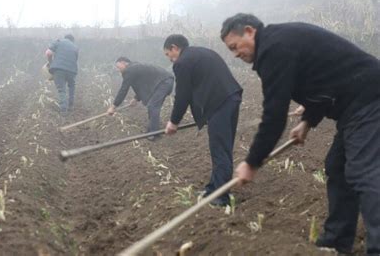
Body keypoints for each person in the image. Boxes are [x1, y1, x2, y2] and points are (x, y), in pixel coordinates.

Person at [220, 13, 380, 254]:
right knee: (337, 167)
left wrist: (252, 162)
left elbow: (274, 115)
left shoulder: (274, 49)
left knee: (363, 172)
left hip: (368, 98)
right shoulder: (279, 42)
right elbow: (322, 83)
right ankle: (337, 241)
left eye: (234, 46)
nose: (235, 53)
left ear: (250, 31)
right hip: (356, 102)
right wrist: (307, 122)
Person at [163, 34, 242, 207]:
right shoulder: (202, 52)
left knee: (220, 149)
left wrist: (173, 122)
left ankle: (221, 197)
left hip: (219, 103)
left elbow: (183, 95)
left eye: (168, 54)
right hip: (231, 97)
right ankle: (213, 188)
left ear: (174, 48)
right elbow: (198, 86)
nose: (170, 59)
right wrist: (203, 118)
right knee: (223, 147)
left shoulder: (183, 62)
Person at [107, 57, 174, 140]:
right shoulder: (134, 68)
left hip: (164, 82)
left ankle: (154, 133)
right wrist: (136, 98)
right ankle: (152, 130)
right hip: (163, 82)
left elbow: (124, 89)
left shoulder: (130, 70)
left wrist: (113, 106)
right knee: (152, 105)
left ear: (124, 62)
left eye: (118, 66)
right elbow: (142, 84)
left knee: (152, 106)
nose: (118, 69)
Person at [46, 34, 78, 115]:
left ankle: (64, 111)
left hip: (59, 69)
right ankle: (70, 106)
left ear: (65, 38)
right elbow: (75, 60)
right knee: (71, 87)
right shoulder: (75, 47)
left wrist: (50, 63)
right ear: (72, 40)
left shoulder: (58, 41)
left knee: (61, 90)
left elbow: (48, 53)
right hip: (72, 70)